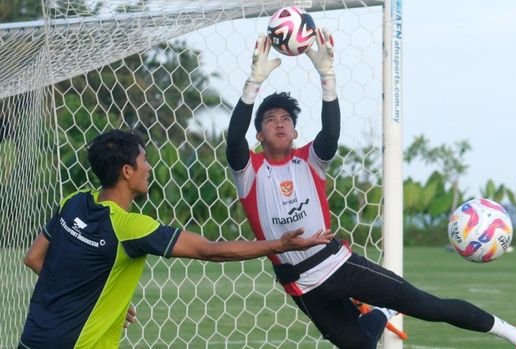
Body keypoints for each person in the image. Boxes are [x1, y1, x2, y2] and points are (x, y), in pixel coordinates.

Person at [225, 29, 516, 349]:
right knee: (361, 345)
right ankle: (380, 312)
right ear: (260, 135)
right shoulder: (250, 171)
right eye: (269, 120)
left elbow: (332, 132)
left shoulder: (308, 159)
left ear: (295, 132)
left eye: (285, 119)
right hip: (301, 285)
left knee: (428, 307)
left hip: (339, 264)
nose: (279, 123)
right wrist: (254, 82)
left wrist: (327, 75)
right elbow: (234, 139)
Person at [18, 129, 334, 349]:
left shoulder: (73, 201)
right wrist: (279, 244)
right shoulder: (131, 228)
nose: (149, 167)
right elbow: (211, 251)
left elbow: (34, 258)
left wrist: (96, 298)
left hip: (32, 338)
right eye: (144, 160)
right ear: (128, 171)